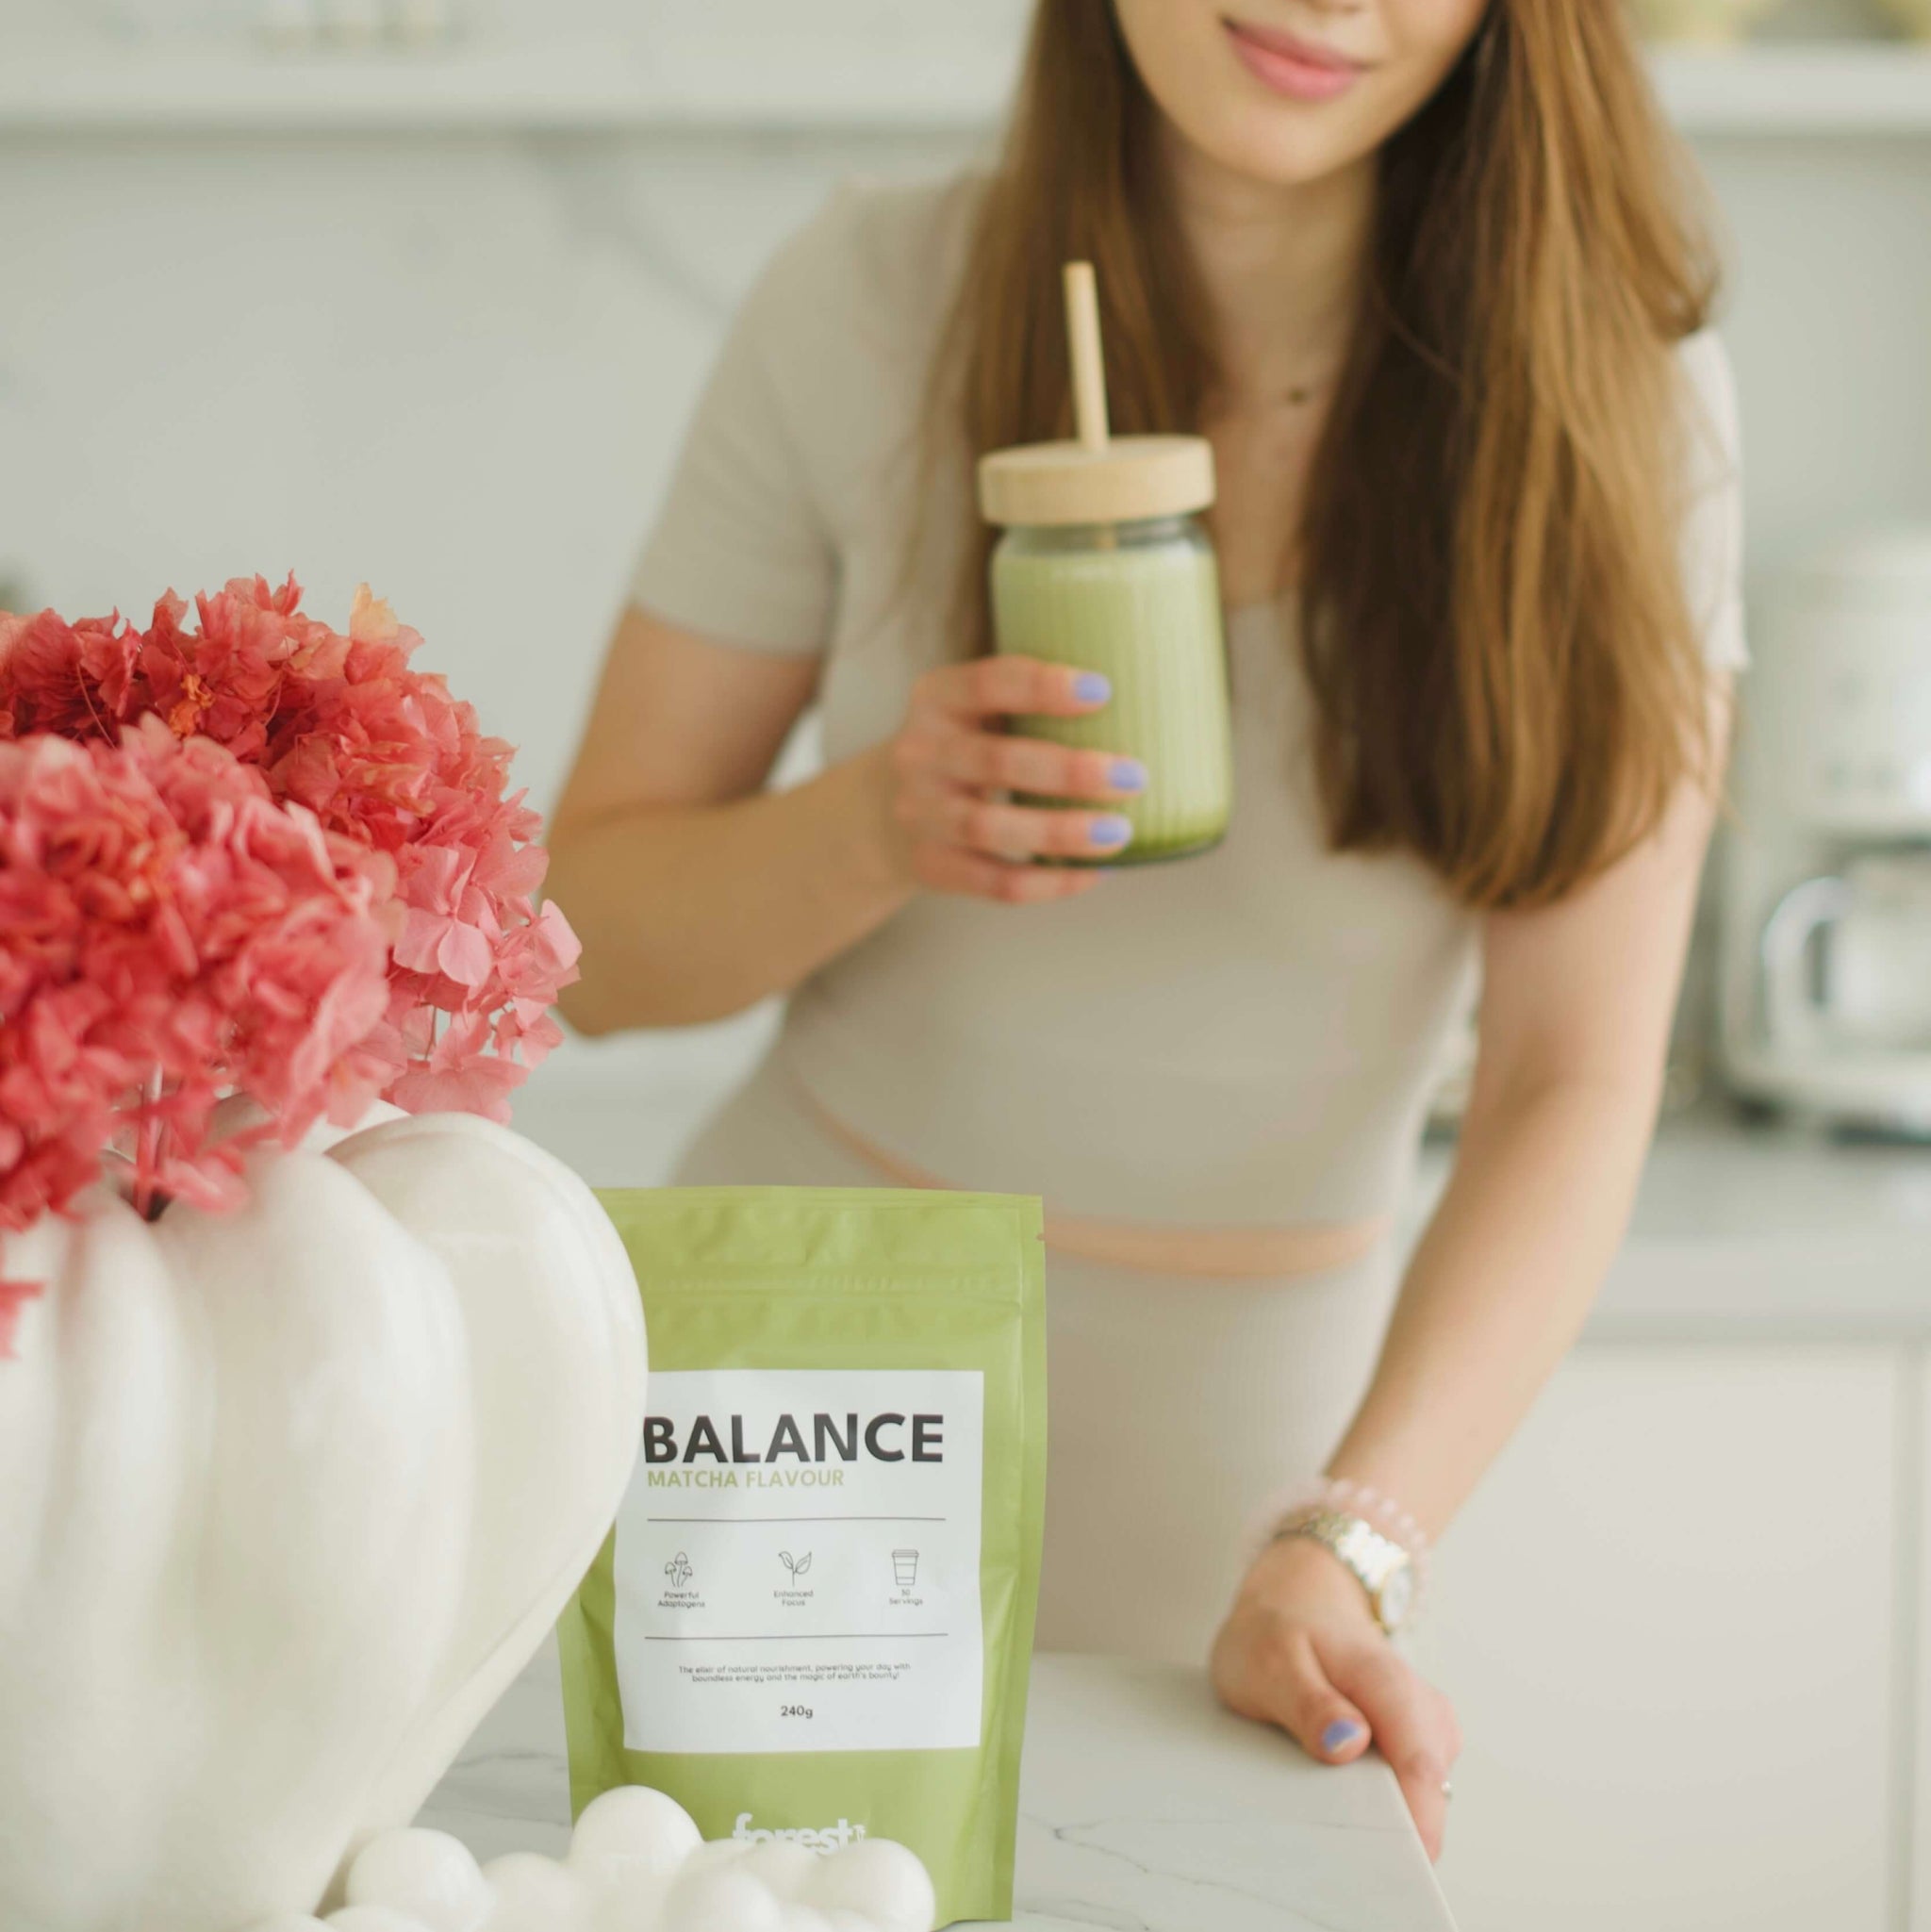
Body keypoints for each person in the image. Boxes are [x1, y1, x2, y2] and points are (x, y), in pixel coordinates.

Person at [549, 0, 1742, 1859]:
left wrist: (1352, 1537)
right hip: (793, 1391)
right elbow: (587, 942)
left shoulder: (1622, 402)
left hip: (1254, 1480)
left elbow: (1573, 1076)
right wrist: (872, 822)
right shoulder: (867, 301)